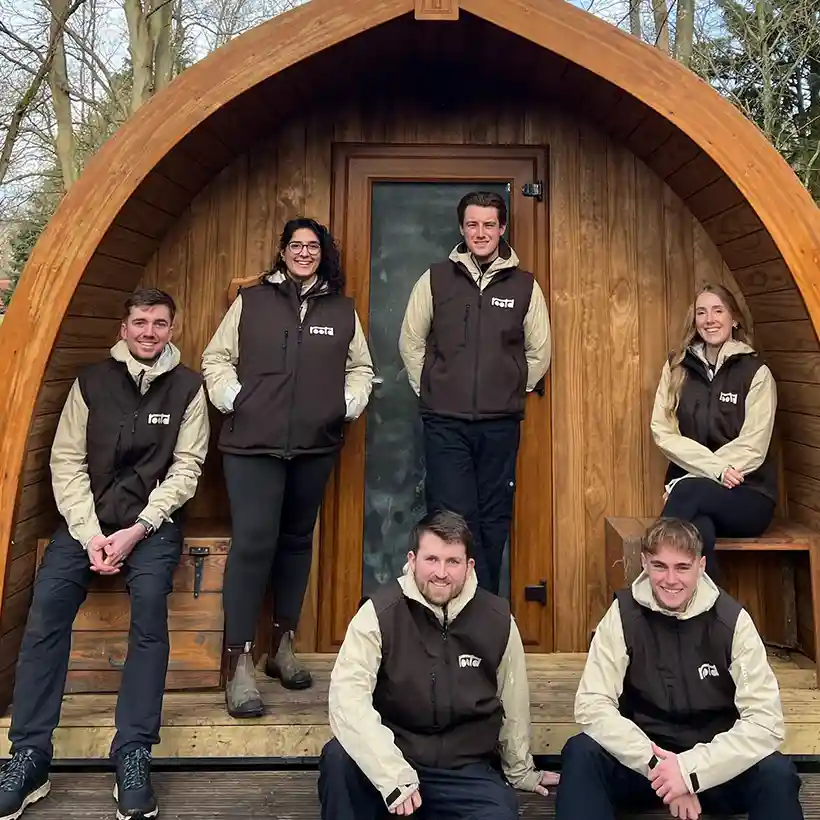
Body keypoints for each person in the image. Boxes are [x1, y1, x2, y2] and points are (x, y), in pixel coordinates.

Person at [0, 288, 210, 820]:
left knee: (149, 621)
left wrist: (136, 531)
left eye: (159, 323)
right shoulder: (90, 383)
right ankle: (28, 757)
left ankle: (133, 751)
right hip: (85, 523)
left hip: (150, 527)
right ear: (123, 328)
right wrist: (92, 534)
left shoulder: (188, 389)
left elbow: (187, 470)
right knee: (45, 613)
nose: (148, 332)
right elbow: (66, 461)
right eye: (139, 322)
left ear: (171, 329)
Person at [202, 217, 374, 718]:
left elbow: (362, 367)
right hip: (252, 445)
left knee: (297, 541)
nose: (304, 253)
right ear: (282, 252)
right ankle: (238, 662)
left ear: (323, 254)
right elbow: (216, 358)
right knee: (255, 542)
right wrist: (235, 398)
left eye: (312, 246)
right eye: (296, 246)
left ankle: (282, 648)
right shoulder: (252, 302)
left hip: (314, 445)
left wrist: (345, 404)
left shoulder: (341, 311)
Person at [317, 509, 559, 820]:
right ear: (412, 559)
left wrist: (521, 770)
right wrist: (392, 773)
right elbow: (347, 700)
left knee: (500, 814)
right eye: (431, 559)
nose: (441, 573)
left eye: (452, 561)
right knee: (338, 758)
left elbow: (513, 702)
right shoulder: (378, 613)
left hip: (465, 771)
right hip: (394, 761)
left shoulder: (497, 619)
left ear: (469, 565)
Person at [557, 517, 803, 820]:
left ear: (701, 566)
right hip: (644, 764)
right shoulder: (622, 615)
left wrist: (690, 771)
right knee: (581, 753)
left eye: (682, 567)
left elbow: (765, 722)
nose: (670, 579)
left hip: (716, 768)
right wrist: (659, 767)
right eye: (660, 566)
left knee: (777, 772)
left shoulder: (732, 621)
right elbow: (592, 705)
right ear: (645, 563)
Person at [398, 191, 551, 594]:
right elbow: (411, 342)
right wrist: (431, 388)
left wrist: (511, 388)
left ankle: (484, 612)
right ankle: (447, 614)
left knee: (492, 518)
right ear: (461, 228)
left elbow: (539, 352)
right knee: (451, 518)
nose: (480, 232)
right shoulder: (435, 279)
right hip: (444, 423)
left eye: (488, 225)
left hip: (500, 425)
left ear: (502, 229)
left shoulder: (525, 286)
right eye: (472, 224)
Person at [650, 283, 777, 583]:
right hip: (691, 494)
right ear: (694, 321)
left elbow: (753, 446)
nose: (710, 319)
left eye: (718, 310)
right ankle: (709, 615)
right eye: (702, 312)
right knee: (698, 529)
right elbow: (662, 430)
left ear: (733, 318)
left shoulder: (756, 372)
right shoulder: (677, 367)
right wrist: (715, 469)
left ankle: (646, 586)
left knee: (688, 493)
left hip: (748, 495)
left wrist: (691, 477)